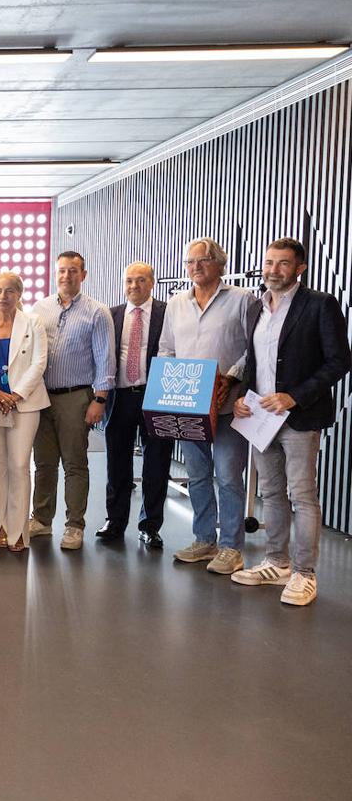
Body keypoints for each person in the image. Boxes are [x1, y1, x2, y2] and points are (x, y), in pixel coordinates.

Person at [232, 237, 351, 605]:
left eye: (283, 263)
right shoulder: (255, 308)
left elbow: (339, 361)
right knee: (270, 493)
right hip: (260, 418)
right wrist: (241, 395)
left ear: (299, 267)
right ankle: (277, 562)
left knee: (302, 495)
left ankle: (304, 573)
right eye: (269, 262)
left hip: (299, 417)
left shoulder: (320, 305)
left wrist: (294, 396)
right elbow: (253, 360)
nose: (273, 270)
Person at [160, 237, 257, 575]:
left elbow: (253, 350)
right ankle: (204, 539)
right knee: (198, 475)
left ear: (220, 264)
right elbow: (166, 349)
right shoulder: (176, 303)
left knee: (229, 475)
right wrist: (166, 387)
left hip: (227, 404)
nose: (195, 267)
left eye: (203, 261)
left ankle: (232, 546)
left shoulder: (242, 301)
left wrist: (231, 378)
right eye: (190, 262)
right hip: (187, 405)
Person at [29, 251, 115, 550]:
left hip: (76, 397)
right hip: (40, 397)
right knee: (43, 463)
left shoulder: (97, 312)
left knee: (75, 464)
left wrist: (100, 399)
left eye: (73, 271)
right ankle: (41, 520)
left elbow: (106, 360)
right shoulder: (39, 309)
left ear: (84, 275)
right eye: (62, 271)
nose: (66, 276)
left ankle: (74, 525)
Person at [98, 262, 172, 549]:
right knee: (117, 463)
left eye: (140, 280)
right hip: (120, 397)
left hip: (156, 397)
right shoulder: (112, 315)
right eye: (129, 281)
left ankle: (150, 526)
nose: (134, 286)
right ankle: (114, 521)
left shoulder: (167, 314)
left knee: (157, 463)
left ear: (151, 282)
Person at [0, 272, 49, 551]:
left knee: (19, 465)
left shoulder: (34, 322)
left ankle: (19, 531)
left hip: (25, 404)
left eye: (9, 291)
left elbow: (39, 362)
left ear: (20, 294)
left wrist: (15, 395)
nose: (3, 296)